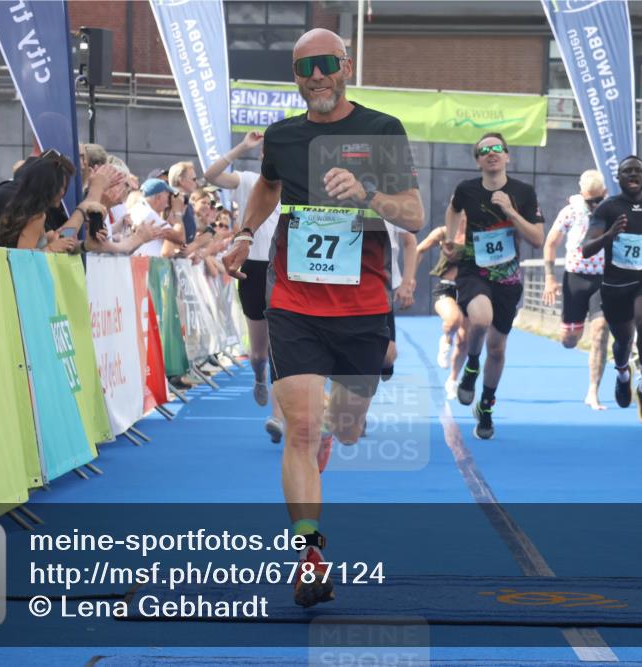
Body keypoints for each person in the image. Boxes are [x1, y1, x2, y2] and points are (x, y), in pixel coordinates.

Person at [222, 28, 423, 608]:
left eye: (325, 64)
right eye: (303, 68)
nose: (315, 76)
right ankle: (310, 554)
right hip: (295, 304)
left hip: (362, 309)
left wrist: (368, 196)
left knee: (347, 425)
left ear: (346, 65)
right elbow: (266, 189)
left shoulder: (382, 130)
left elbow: (412, 214)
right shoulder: (284, 136)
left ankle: (348, 416)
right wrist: (242, 233)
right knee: (302, 429)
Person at [445, 132, 544, 440]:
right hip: (473, 270)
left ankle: (486, 406)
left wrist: (511, 211)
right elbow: (453, 209)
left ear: (507, 156)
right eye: (484, 150)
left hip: (508, 279)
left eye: (497, 148)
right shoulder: (467, 189)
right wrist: (450, 238)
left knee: (498, 349)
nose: (491, 153)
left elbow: (537, 240)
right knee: (480, 319)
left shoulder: (523, 192)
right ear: (478, 160)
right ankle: (471, 364)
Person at [203, 131, 286, 442]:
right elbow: (210, 175)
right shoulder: (249, 180)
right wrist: (243, 147)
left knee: (281, 348)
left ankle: (277, 417)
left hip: (283, 271)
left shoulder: (297, 186)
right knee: (259, 352)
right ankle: (258, 375)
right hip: (252, 268)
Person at [582, 156, 642, 425]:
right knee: (623, 340)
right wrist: (609, 235)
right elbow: (586, 249)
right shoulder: (607, 209)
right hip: (615, 284)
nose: (633, 174)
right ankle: (623, 373)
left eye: (638, 171)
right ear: (619, 178)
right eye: (627, 171)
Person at [542, 169, 610, 411]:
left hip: (603, 280)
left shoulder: (612, 210)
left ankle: (593, 391)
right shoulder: (570, 211)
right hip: (575, 279)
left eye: (598, 199)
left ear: (605, 192)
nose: (594, 204)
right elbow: (550, 243)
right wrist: (550, 278)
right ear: (582, 194)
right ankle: (571, 333)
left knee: (601, 331)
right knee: (570, 340)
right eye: (590, 199)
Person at [0, 154, 120, 252]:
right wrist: (50, 248)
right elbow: (25, 258)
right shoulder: (37, 217)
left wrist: (85, 245)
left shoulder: (23, 209)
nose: (64, 192)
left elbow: (62, 237)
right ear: (50, 187)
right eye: (63, 186)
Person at [416, 223, 467, 399]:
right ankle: (446, 339)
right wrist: (409, 279)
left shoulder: (480, 232)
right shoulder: (443, 232)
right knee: (454, 319)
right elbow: (418, 249)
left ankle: (453, 381)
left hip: (471, 290)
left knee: (464, 341)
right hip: (446, 288)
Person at [380, 220, 418, 380]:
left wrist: (406, 283)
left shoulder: (389, 202)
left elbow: (409, 241)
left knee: (388, 356)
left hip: (381, 286)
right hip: (342, 287)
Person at [129, 178, 185, 257]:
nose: (168, 201)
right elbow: (180, 238)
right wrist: (177, 212)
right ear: (159, 197)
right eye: (167, 196)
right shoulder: (148, 213)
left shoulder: (139, 208)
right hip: (147, 264)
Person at [168, 161, 199, 243]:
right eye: (194, 179)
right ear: (181, 180)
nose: (197, 183)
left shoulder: (187, 202)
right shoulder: (171, 200)